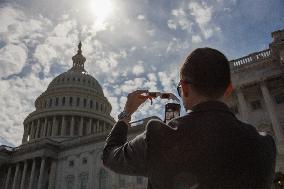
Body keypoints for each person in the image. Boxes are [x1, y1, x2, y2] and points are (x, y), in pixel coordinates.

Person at [102, 47, 276, 189]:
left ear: (185, 89)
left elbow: (109, 156)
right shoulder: (265, 144)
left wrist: (126, 114)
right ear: (229, 90)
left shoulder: (158, 136)